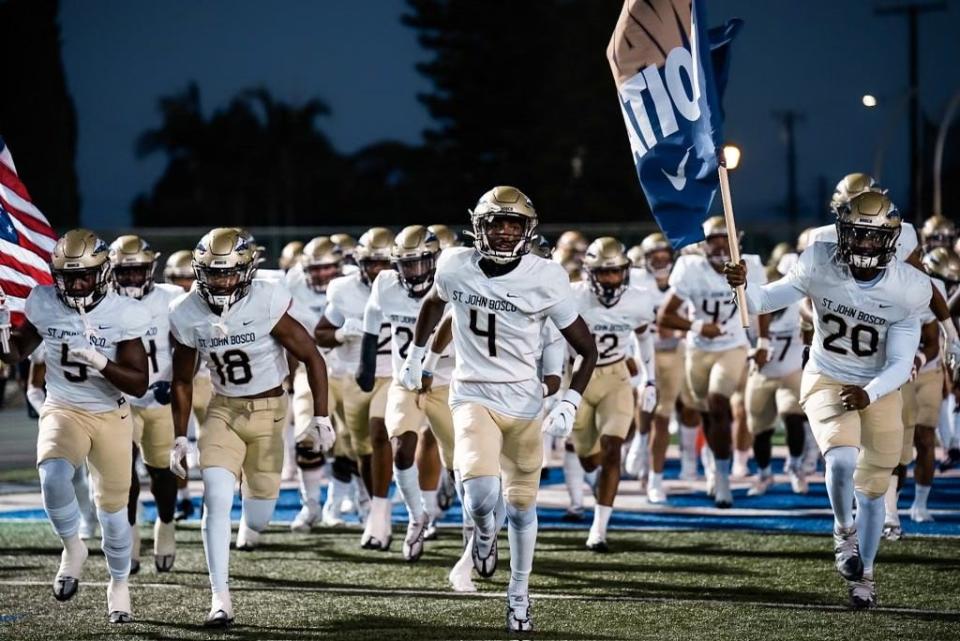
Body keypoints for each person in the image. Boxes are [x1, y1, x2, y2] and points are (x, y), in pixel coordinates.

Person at [400, 186, 598, 632]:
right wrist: (418, 356)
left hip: (525, 403)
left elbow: (587, 349)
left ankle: (519, 595)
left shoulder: (546, 276)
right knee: (480, 495)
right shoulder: (454, 265)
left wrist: (569, 399)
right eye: (496, 222)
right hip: (471, 393)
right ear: (478, 226)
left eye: (515, 224)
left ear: (528, 230)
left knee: (524, 508)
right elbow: (435, 303)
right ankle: (485, 536)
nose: (506, 231)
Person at [723, 192, 930, 609]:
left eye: (874, 238)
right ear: (842, 232)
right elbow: (764, 301)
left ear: (890, 240)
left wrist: (868, 392)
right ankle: (842, 531)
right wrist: (742, 285)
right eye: (857, 235)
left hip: (880, 386)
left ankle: (865, 575)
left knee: (872, 491)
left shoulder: (910, 288)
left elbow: (900, 362)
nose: (865, 245)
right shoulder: (818, 259)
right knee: (840, 460)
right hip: (827, 376)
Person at [168, 227, 335, 626]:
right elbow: (182, 379)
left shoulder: (265, 299)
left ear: (247, 269)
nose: (221, 281)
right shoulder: (186, 310)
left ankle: (252, 519)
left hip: (270, 411)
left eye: (228, 273)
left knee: (258, 515)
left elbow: (312, 356)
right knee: (217, 499)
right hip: (223, 410)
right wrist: (179, 436)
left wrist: (322, 417)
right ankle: (219, 598)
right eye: (212, 273)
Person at [1, 229, 150, 623]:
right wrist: (1, 330)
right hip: (63, 406)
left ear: (103, 272)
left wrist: (103, 364)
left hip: (110, 414)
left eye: (84, 275)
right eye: (68, 276)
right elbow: (18, 350)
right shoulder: (44, 301)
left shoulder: (124, 311)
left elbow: (139, 382)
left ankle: (118, 583)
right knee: (52, 476)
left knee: (114, 515)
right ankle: (73, 548)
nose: (77, 283)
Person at [572, 237, 655, 550]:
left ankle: (599, 530)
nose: (610, 279)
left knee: (612, 448)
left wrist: (650, 380)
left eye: (616, 272)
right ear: (589, 273)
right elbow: (551, 341)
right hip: (577, 377)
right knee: (588, 459)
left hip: (616, 376)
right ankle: (595, 482)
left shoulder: (638, 299)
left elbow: (645, 339)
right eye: (603, 273)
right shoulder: (571, 295)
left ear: (626, 270)